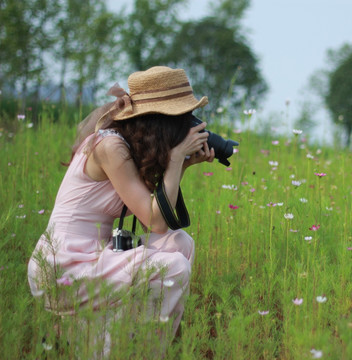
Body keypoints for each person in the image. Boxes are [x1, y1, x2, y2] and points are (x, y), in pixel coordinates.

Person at [27, 66, 213, 351]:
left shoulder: (126, 146)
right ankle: (139, 352)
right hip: (63, 264)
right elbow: (155, 220)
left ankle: (129, 341)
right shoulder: (111, 147)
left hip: (91, 254)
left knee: (180, 242)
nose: (186, 127)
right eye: (181, 119)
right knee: (173, 267)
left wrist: (183, 165)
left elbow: (159, 216)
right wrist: (175, 159)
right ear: (160, 121)